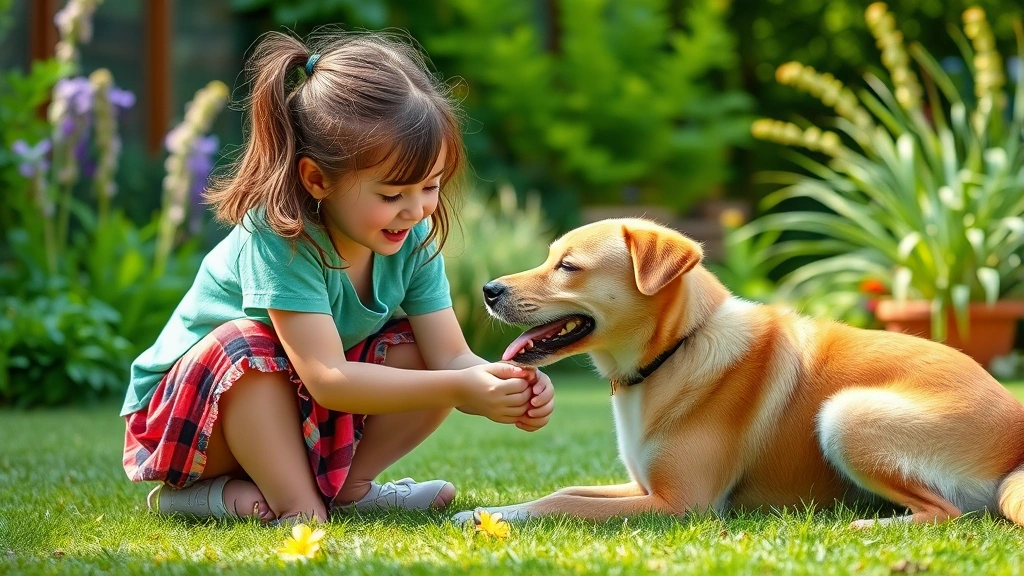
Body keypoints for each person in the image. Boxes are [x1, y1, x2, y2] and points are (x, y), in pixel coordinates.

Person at [120, 30, 555, 524]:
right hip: (189, 423)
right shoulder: (281, 235)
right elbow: (327, 379)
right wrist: (456, 388)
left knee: (417, 350)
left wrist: (501, 384)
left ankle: (348, 486)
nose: (414, 210)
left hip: (290, 408)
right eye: (391, 195)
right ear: (317, 179)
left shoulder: (410, 237)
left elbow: (449, 357)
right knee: (245, 346)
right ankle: (282, 503)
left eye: (429, 186)